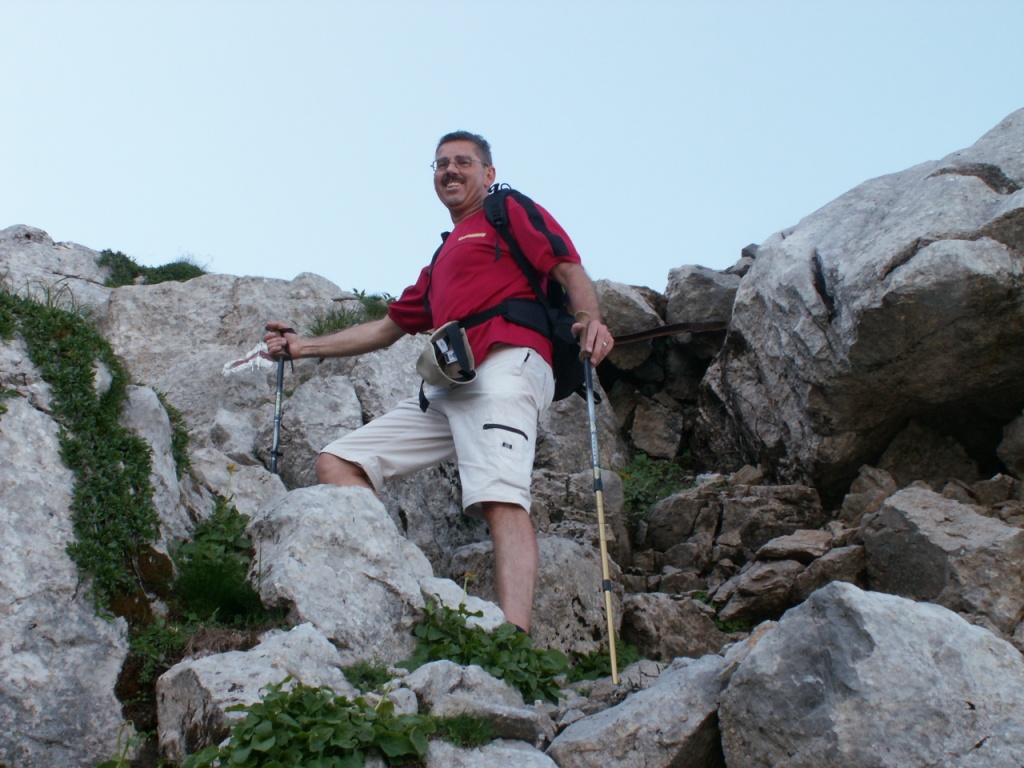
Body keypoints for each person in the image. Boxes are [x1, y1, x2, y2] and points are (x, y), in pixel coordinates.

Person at [265, 131, 613, 634]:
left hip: (506, 363)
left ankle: (513, 640)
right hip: (450, 384)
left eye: (463, 162)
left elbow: (567, 267)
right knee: (338, 462)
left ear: (488, 174)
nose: (450, 170)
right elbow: (385, 329)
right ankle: (399, 579)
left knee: (501, 496)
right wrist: (302, 347)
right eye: (441, 163)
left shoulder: (506, 210)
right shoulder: (441, 259)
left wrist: (589, 319)